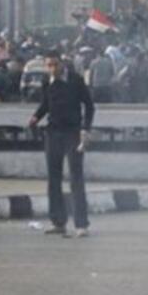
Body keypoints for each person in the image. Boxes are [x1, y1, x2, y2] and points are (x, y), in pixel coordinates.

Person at [28, 50, 95, 238]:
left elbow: (89, 105)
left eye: (55, 65)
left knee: (76, 178)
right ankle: (58, 221)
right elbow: (45, 104)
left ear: (62, 64)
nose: (52, 69)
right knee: (53, 179)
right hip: (53, 132)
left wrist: (86, 128)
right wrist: (35, 117)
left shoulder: (75, 80)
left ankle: (81, 224)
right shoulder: (46, 81)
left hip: (73, 133)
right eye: (49, 65)